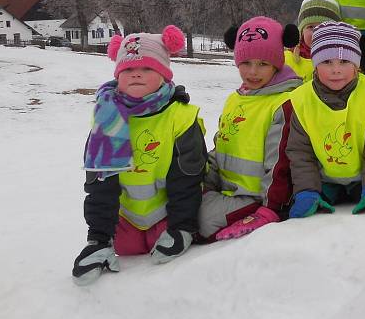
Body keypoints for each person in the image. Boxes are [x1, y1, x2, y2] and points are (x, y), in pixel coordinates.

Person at [72, 26, 207, 285]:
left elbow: (187, 180)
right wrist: (99, 238)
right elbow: (100, 185)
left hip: (168, 216)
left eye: (146, 68)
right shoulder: (106, 119)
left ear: (165, 74)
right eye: (128, 69)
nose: (136, 74)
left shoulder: (180, 117)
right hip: (126, 221)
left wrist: (182, 227)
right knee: (129, 247)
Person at [198, 17, 302, 241]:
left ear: (276, 64)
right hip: (228, 191)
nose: (253, 72)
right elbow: (221, 145)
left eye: (263, 64)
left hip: (257, 197)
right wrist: (205, 183)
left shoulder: (283, 103)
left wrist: (270, 208)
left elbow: (280, 164)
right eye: (246, 63)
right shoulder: (234, 100)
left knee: (202, 222)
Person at [286, 21, 365, 221]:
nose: (336, 70)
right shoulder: (302, 99)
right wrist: (307, 191)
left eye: (344, 62)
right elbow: (300, 151)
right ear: (315, 63)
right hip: (325, 180)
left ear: (357, 65)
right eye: (327, 62)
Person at [285, 0, 342, 82]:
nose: (317, 33)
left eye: (324, 28)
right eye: (311, 27)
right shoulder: (287, 60)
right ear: (302, 32)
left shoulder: (344, 60)